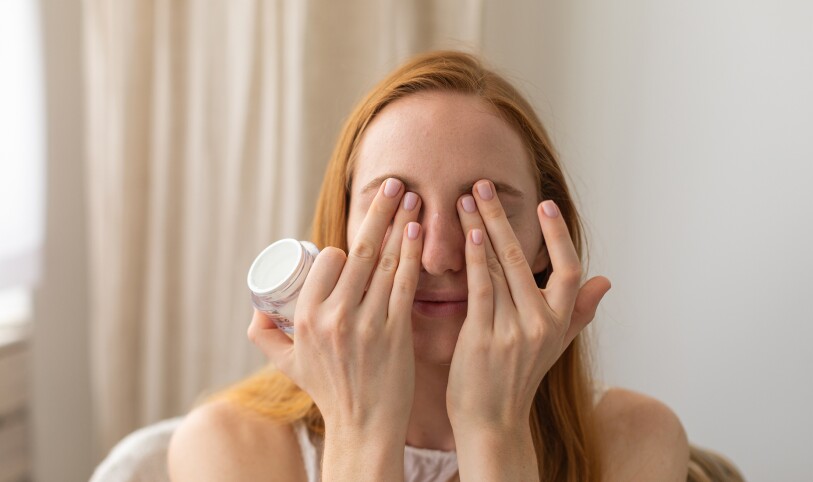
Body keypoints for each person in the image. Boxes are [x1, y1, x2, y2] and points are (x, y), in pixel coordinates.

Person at [168, 50, 690, 482]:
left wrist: (495, 432)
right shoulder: (227, 447)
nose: (438, 256)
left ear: (542, 245)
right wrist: (362, 433)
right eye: (395, 206)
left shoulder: (635, 440)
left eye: (482, 207)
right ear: (343, 235)